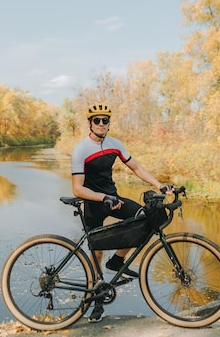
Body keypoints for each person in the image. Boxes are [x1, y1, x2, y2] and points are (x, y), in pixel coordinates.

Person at [71, 102, 168, 323]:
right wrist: (102, 197)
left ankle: (117, 261)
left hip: (114, 198)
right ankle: (97, 301)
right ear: (90, 123)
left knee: (145, 218)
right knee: (96, 251)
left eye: (105, 120)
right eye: (97, 120)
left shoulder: (115, 144)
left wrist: (158, 184)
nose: (101, 123)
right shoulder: (81, 149)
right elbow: (77, 188)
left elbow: (136, 168)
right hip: (93, 202)